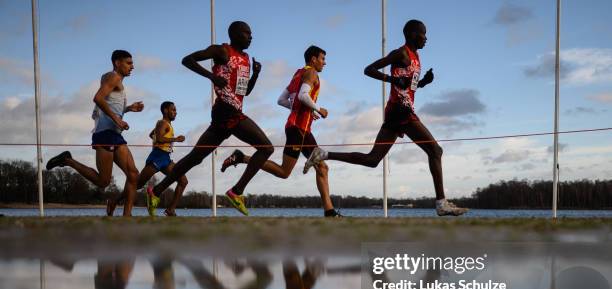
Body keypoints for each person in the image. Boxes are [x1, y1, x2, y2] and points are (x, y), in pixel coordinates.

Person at [303, 20, 468, 216]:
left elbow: (407, 84)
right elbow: (369, 69)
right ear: (413, 34)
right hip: (401, 110)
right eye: (423, 34)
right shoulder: (401, 53)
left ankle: (323, 154)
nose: (426, 38)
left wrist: (423, 83)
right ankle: (441, 203)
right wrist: (392, 79)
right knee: (435, 150)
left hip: (397, 111)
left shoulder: (416, 56)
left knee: (373, 160)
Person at [146, 21, 273, 216]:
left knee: (195, 157)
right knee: (266, 148)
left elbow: (244, 91)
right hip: (226, 110)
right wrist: (211, 77)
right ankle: (236, 192)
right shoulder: (222, 51)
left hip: (230, 111)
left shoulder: (246, 59)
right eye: (247, 33)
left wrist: (255, 74)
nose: (251, 36)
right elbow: (187, 60)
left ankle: (156, 190)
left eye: (251, 33)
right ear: (235, 34)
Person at [221, 45, 341, 217]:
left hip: (299, 128)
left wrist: (308, 110)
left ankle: (329, 211)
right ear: (313, 59)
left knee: (321, 167)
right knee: (288, 172)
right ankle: (242, 159)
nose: (325, 63)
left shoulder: (297, 73)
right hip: (299, 129)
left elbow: (281, 100)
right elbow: (302, 96)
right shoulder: (311, 73)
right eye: (322, 58)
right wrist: (318, 109)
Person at [46, 50, 143, 216]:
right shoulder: (113, 77)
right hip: (105, 134)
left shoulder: (115, 79)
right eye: (128, 63)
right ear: (117, 63)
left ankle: (127, 216)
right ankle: (68, 160)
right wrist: (117, 120)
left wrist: (128, 109)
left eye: (132, 63)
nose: (132, 66)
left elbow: (109, 105)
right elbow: (97, 98)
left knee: (133, 174)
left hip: (115, 134)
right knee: (103, 181)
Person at [107, 101, 188, 216]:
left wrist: (161, 139)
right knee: (137, 184)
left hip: (166, 158)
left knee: (183, 181)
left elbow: (152, 135)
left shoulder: (165, 124)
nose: (176, 112)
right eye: (173, 110)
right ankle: (114, 201)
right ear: (165, 110)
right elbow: (159, 138)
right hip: (157, 157)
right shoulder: (162, 123)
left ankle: (171, 209)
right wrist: (176, 139)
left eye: (175, 110)